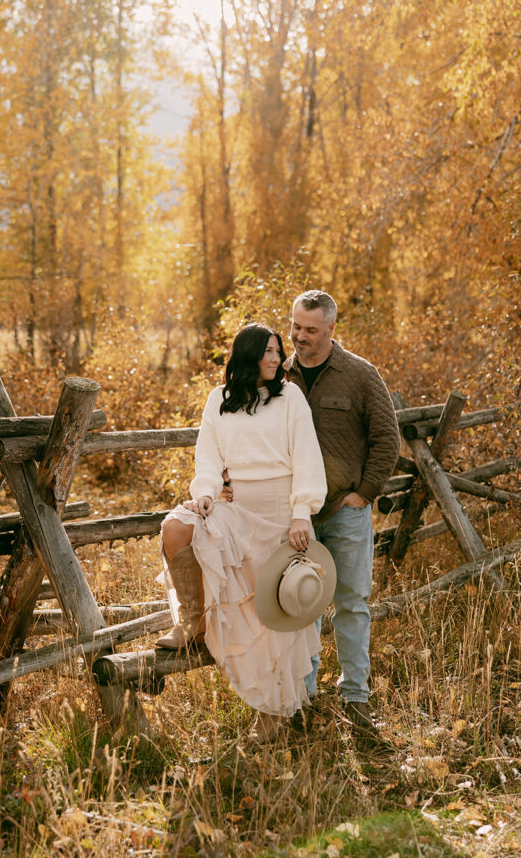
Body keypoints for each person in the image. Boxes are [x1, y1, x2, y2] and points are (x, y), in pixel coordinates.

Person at [155, 323, 328, 743]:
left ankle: (270, 715)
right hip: (236, 504)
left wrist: (302, 513)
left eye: (277, 351)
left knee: (268, 616)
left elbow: (306, 456)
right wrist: (208, 494)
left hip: (279, 510)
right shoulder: (219, 400)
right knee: (177, 527)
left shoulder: (291, 398)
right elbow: (208, 458)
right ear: (246, 356)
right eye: (267, 351)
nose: (275, 358)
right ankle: (192, 624)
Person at [284, 290, 400, 731]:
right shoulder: (281, 376)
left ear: (332, 329)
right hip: (298, 517)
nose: (299, 337)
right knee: (301, 606)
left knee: (351, 603)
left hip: (346, 512)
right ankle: (304, 699)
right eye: (296, 326)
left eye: (310, 330)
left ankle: (355, 698)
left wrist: (365, 493)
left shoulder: (360, 375)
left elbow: (387, 439)